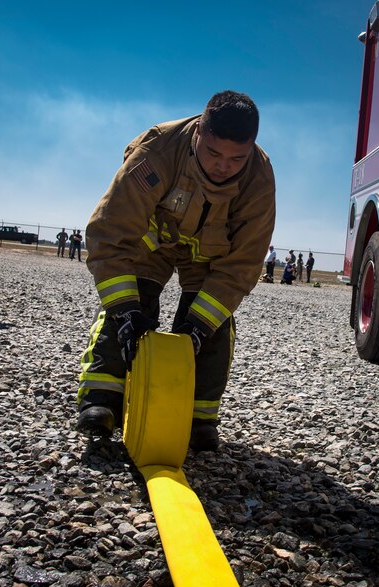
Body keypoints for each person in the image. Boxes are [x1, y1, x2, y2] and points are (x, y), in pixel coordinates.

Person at [76, 90, 276, 452]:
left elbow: (243, 262)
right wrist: (126, 310)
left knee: (212, 323)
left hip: (211, 254)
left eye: (236, 158)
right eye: (214, 153)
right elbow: (110, 230)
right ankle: (102, 400)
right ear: (199, 131)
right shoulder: (158, 151)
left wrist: (197, 326)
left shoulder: (259, 178)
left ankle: (199, 418)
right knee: (130, 306)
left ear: (251, 148)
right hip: (151, 241)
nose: (223, 166)